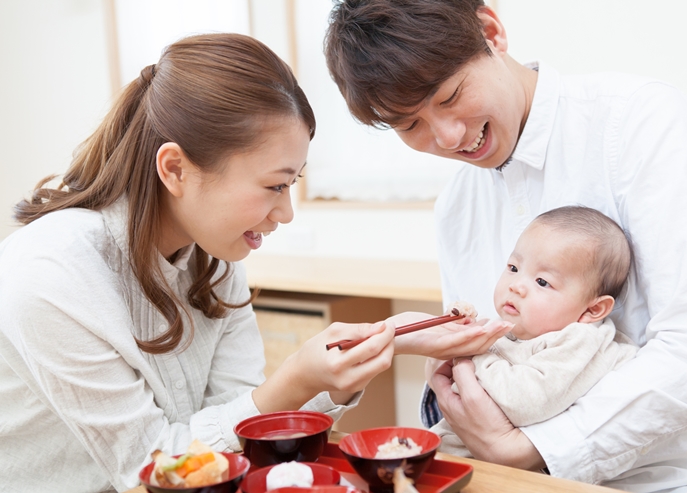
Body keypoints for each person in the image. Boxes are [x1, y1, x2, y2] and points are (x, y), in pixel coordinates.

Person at [0, 33, 499, 493]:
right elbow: (151, 470)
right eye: (274, 185)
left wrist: (385, 339)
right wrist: (299, 379)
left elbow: (234, 429)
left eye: (293, 183)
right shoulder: (49, 276)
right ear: (175, 169)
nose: (285, 213)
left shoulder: (214, 256)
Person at [325, 1, 687, 492]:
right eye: (409, 126)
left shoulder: (640, 123)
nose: (449, 136)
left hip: (682, 479)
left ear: (491, 31)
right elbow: (485, 359)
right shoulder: (457, 205)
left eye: (451, 96)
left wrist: (534, 449)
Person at [431, 206, 638, 456]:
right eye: (513, 267)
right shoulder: (522, 325)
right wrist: (456, 338)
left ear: (593, 310)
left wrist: (471, 353)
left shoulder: (578, 340)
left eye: (542, 282)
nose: (516, 285)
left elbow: (521, 402)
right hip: (458, 448)